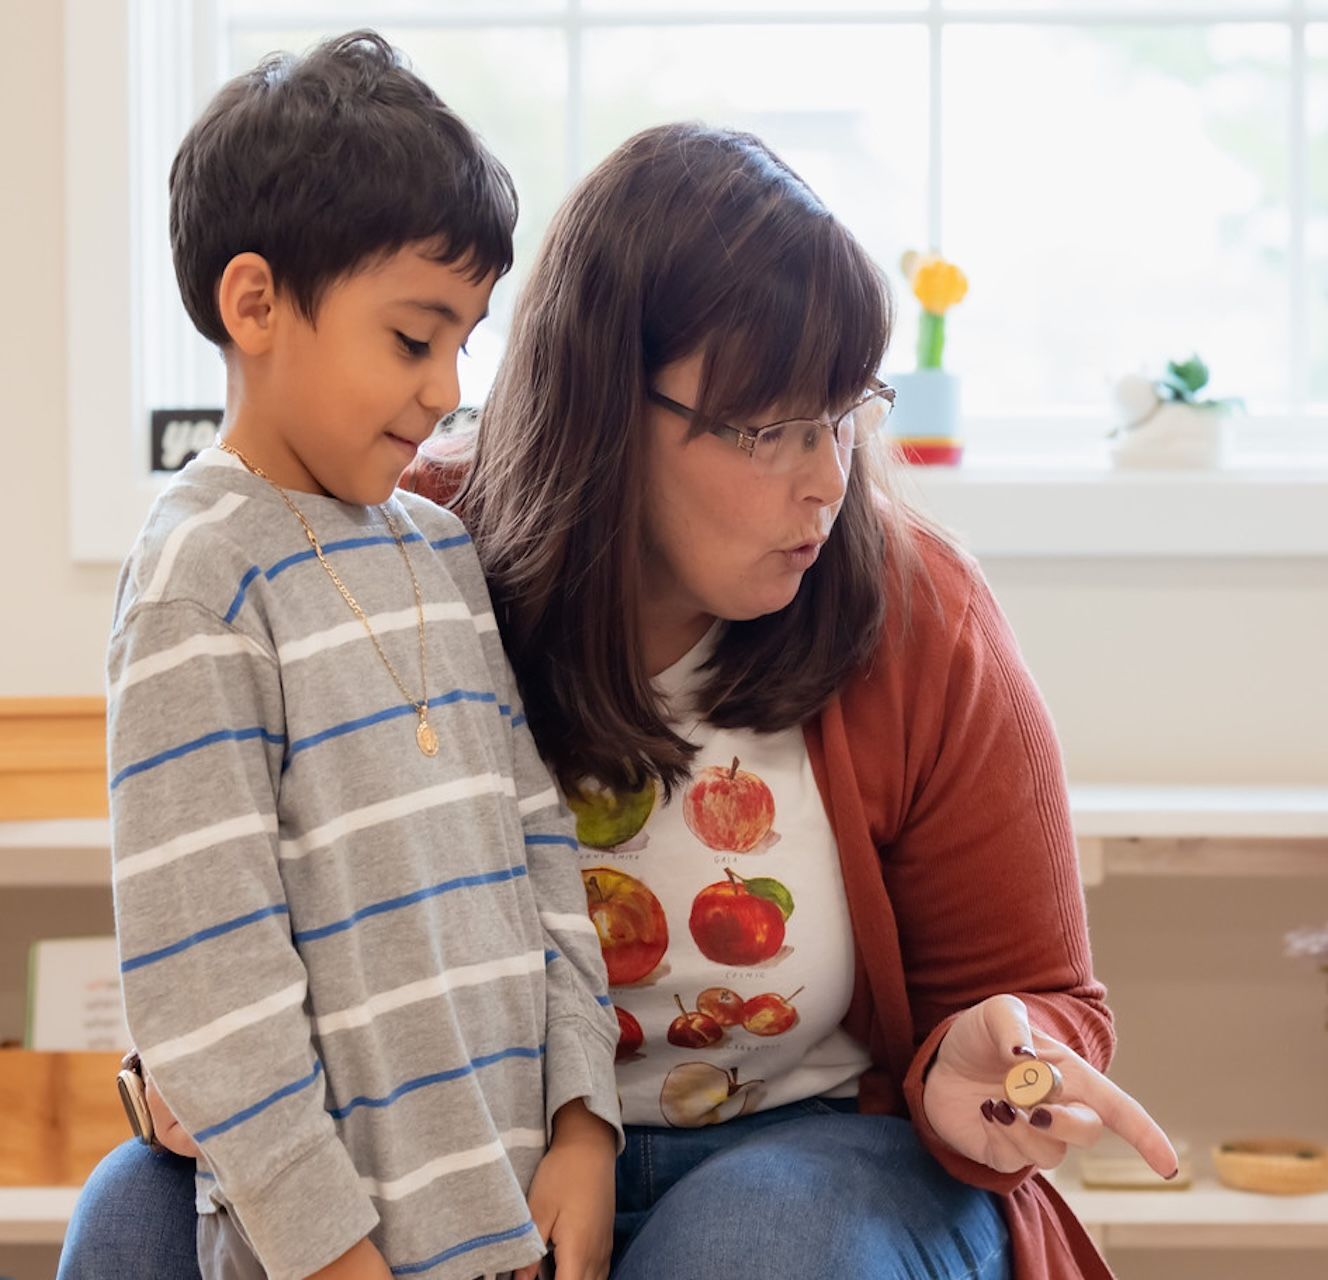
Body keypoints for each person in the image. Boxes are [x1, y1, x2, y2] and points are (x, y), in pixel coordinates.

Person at [61, 115, 1174, 1280]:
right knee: (135, 1217)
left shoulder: (920, 610)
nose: (827, 480)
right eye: (770, 429)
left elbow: (1045, 996)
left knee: (743, 1253)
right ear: (604, 405)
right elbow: (227, 921)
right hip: (454, 1141)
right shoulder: (402, 550)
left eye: (846, 413)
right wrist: (195, 1081)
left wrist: (981, 1068)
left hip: (809, 1148)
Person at [84, 31, 620, 1280]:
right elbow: (206, 987)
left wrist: (584, 1122)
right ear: (256, 305)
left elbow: (540, 851)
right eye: (413, 339)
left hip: (514, 1225)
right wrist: (333, 1256)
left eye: (465, 343)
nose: (444, 388)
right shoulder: (199, 579)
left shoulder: (441, 552)